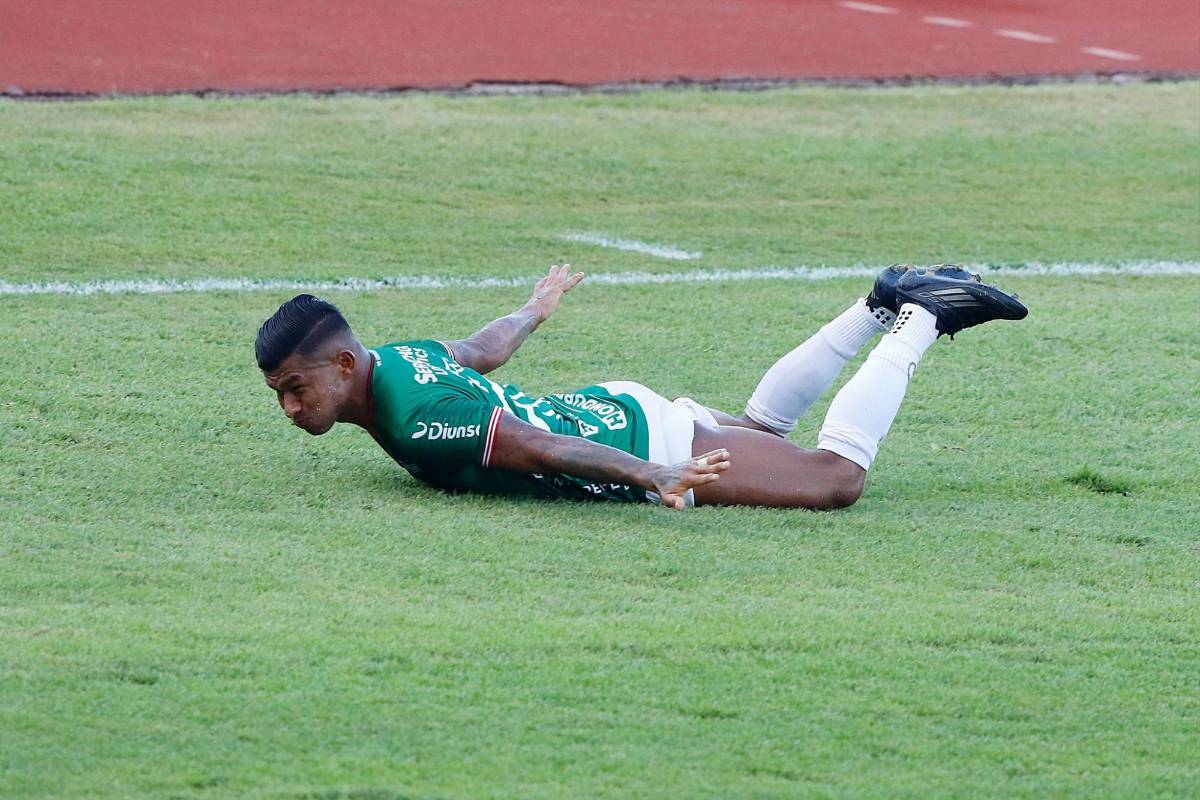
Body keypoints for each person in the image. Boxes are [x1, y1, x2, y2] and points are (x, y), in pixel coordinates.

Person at [255, 264, 1026, 510]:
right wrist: (532, 310)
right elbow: (477, 350)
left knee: (836, 480)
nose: (291, 408)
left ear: (344, 366)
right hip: (617, 406)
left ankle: (920, 314)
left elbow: (534, 445)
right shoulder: (400, 357)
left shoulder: (415, 416)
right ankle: (876, 305)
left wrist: (654, 473)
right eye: (280, 395)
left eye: (296, 387)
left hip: (636, 438)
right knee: (763, 427)